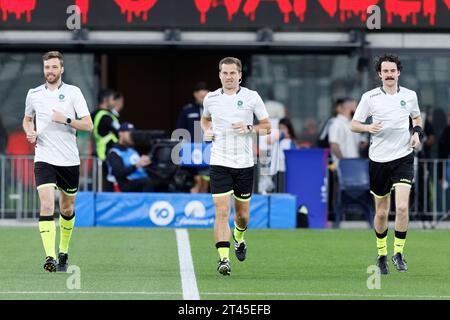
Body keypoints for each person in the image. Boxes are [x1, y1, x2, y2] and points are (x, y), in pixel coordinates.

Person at [351, 54, 423, 275]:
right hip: (378, 160)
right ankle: (381, 254)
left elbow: (416, 118)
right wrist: (367, 128)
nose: (389, 75)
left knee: (401, 207)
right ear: (380, 74)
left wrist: (416, 134)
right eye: (386, 71)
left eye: (393, 71)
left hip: (403, 156)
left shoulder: (410, 96)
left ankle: (398, 253)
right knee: (382, 212)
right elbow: (354, 124)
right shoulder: (370, 97)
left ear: (398, 72)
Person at [22, 51, 93, 272]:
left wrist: (67, 120)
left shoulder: (73, 92)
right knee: (45, 203)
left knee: (67, 207)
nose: (50, 71)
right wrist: (30, 131)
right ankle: (50, 257)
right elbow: (26, 119)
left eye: (54, 67)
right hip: (43, 157)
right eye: (47, 68)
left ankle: (63, 251)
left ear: (61, 69)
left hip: (69, 159)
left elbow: (88, 125)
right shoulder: (33, 94)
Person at [201, 57, 271, 276]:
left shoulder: (252, 97)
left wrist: (249, 127)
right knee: (221, 212)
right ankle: (224, 260)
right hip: (219, 161)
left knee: (242, 216)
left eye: (233, 73)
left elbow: (267, 127)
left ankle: (240, 237)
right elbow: (205, 120)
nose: (229, 77)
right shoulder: (211, 98)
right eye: (225, 73)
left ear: (240, 75)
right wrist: (207, 130)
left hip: (244, 164)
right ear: (219, 75)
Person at [176, 82, 210, 193]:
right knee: (195, 183)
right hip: (191, 153)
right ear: (195, 94)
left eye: (205, 96)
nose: (203, 98)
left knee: (205, 182)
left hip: (209, 152)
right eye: (201, 97)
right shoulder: (187, 110)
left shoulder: (215, 111)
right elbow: (179, 131)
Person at [106, 122, 154, 192]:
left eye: (133, 133)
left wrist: (147, 162)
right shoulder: (114, 152)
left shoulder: (132, 150)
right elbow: (119, 173)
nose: (132, 135)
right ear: (120, 134)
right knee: (147, 182)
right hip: (125, 184)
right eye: (129, 133)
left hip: (140, 180)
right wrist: (137, 165)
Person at [91, 89, 120, 191]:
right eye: (113, 99)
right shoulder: (105, 116)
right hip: (106, 154)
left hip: (101, 153)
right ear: (105, 100)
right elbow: (118, 131)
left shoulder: (94, 114)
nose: (115, 102)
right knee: (110, 184)